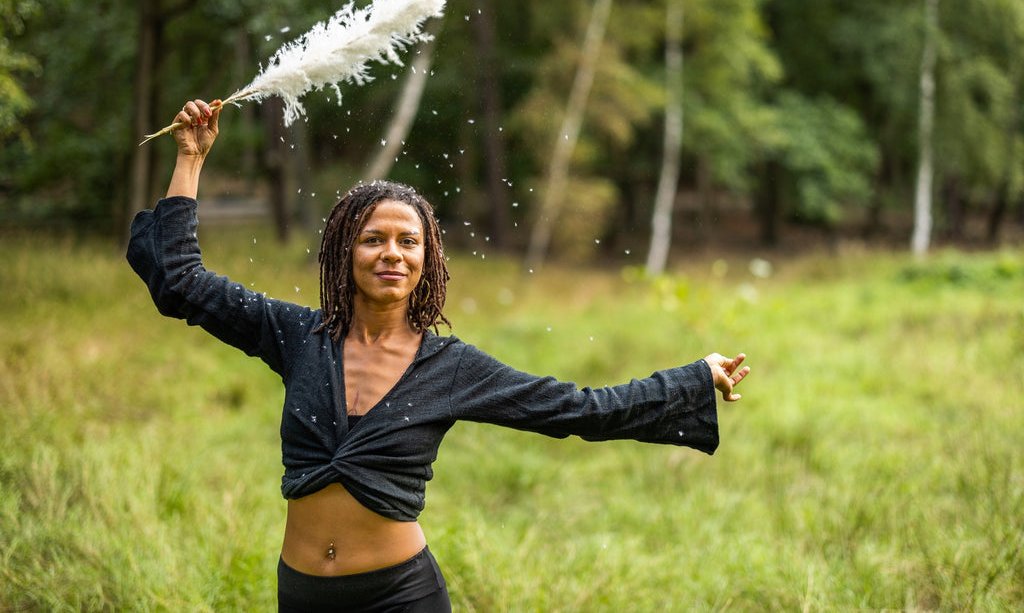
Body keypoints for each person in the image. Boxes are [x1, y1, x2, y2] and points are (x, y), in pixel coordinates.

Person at [127, 99, 751, 613]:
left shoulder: (450, 366)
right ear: (345, 252)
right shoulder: (298, 336)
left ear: (427, 261)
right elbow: (184, 282)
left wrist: (692, 379)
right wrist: (190, 158)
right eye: (373, 239)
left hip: (401, 596)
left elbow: (577, 410)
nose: (391, 253)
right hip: (304, 595)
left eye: (408, 241)